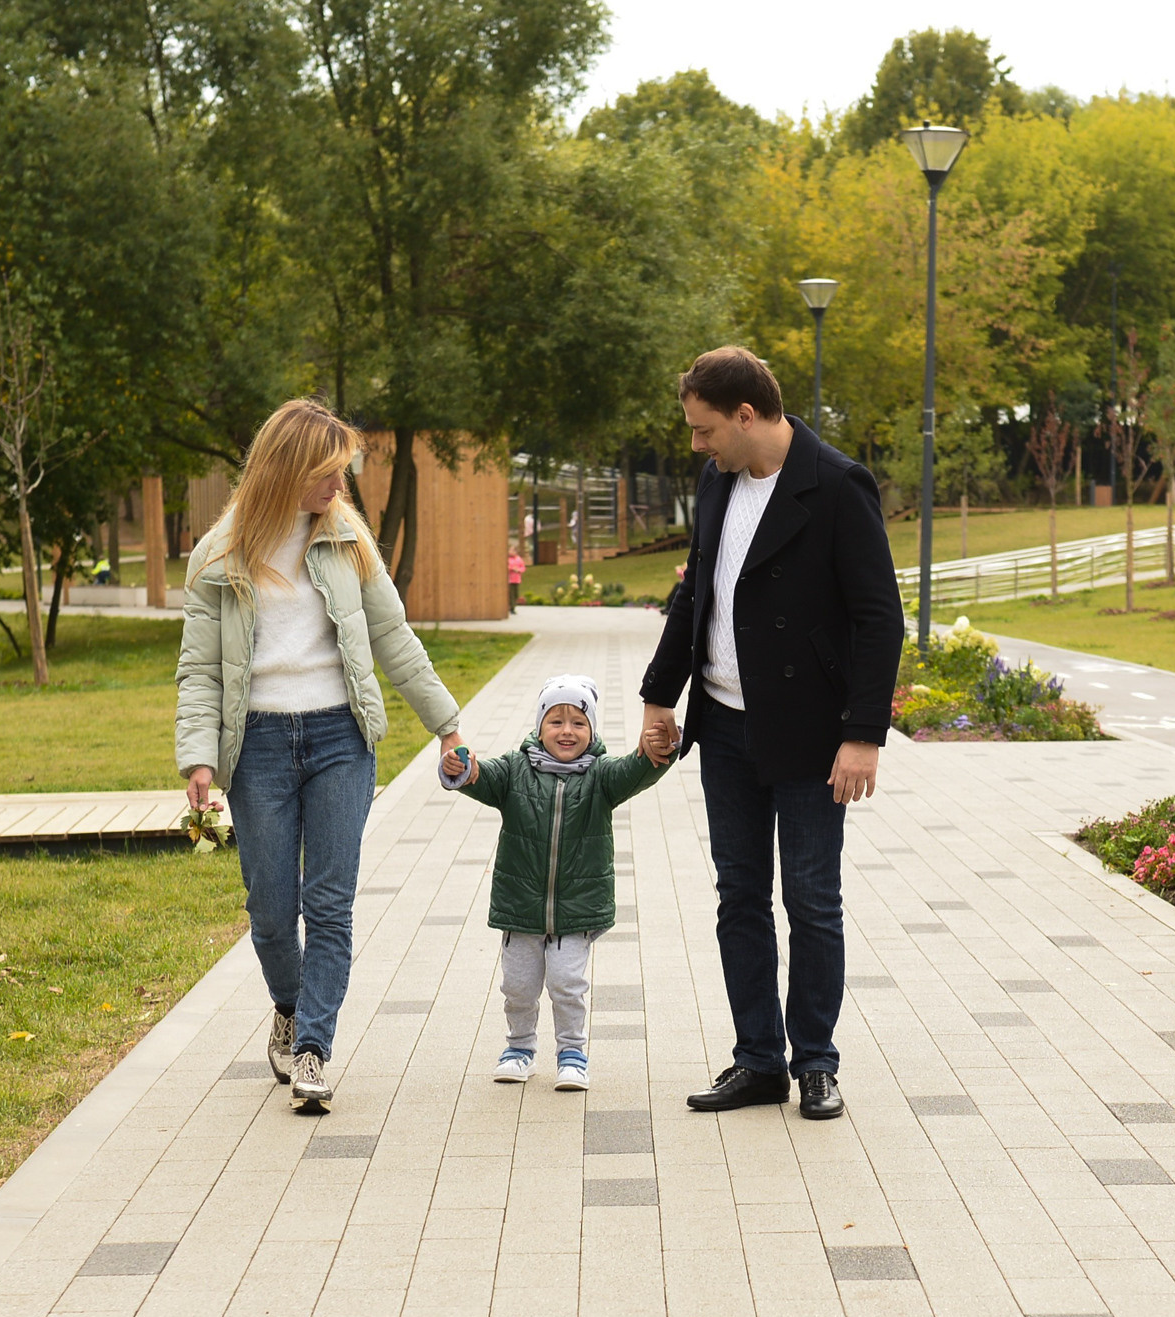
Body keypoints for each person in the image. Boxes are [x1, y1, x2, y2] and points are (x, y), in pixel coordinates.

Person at [177, 399, 466, 1113]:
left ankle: (312, 1047)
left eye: (343, 476)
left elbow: (395, 637)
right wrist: (199, 760)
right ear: (286, 470)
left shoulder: (347, 541)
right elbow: (200, 669)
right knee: (271, 910)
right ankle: (289, 1002)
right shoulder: (217, 557)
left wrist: (447, 724)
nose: (340, 491)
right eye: (327, 476)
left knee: (328, 903)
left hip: (341, 738)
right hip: (261, 747)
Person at [639, 347, 904, 1121]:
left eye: (704, 429)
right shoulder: (719, 481)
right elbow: (696, 590)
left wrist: (863, 734)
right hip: (723, 727)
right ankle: (758, 1059)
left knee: (813, 899)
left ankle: (815, 1060)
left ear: (747, 415)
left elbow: (878, 617)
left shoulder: (836, 485)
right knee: (740, 896)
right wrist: (661, 694)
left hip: (812, 734)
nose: (697, 444)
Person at [440, 674, 675, 1092]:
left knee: (567, 984)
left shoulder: (603, 776)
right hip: (521, 907)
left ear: (592, 731)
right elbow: (479, 776)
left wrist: (660, 749)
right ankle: (519, 1049)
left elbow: (640, 769)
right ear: (539, 726)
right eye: (556, 721)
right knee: (517, 987)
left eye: (579, 723)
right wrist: (460, 766)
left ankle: (572, 1055)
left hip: (577, 909)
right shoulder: (514, 770)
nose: (567, 731)